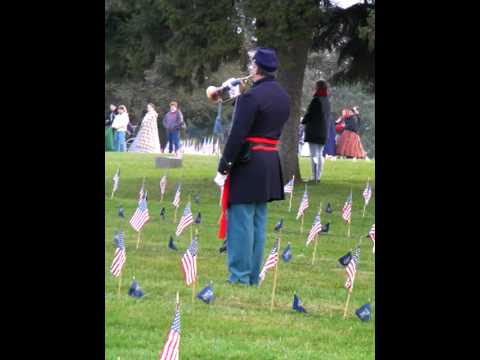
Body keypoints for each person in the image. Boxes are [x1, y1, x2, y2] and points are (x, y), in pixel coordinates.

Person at [214, 47, 290, 286]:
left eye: (251, 65)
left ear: (257, 68)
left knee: (241, 222)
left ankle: (239, 277)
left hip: (248, 161)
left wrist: (224, 166)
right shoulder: (283, 96)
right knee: (258, 222)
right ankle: (253, 276)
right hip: (269, 161)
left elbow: (237, 134)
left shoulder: (250, 97)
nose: (249, 69)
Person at [301, 80, 331, 182]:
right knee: (319, 154)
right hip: (324, 131)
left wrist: (303, 121)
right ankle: (318, 176)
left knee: (314, 154)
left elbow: (310, 114)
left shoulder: (316, 100)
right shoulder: (327, 100)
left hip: (314, 130)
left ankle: (315, 177)